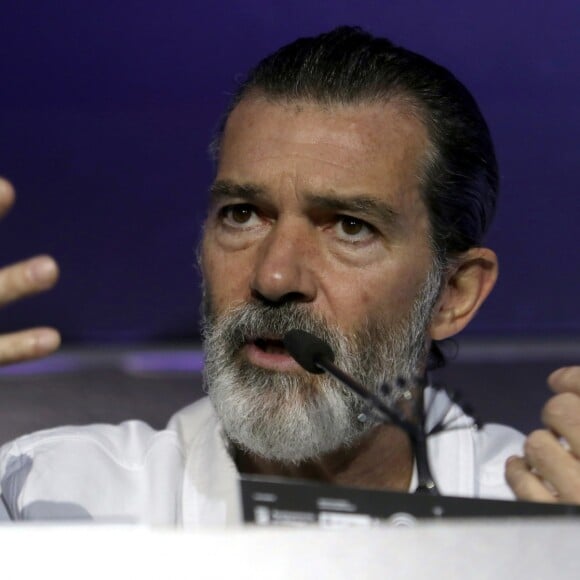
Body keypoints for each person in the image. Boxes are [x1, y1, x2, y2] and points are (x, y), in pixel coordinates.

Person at [0, 27, 578, 525]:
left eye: (350, 227)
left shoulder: (545, 512)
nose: (274, 276)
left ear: (454, 294)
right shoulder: (51, 499)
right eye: (243, 214)